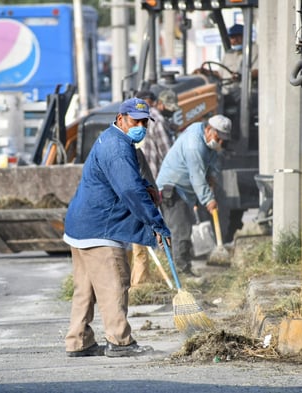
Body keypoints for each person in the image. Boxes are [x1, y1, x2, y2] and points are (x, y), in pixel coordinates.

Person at [63, 97, 171, 358]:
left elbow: (130, 184)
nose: (141, 127)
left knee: (85, 289)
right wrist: (157, 224)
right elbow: (130, 190)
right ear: (121, 119)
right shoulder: (118, 148)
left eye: (145, 122)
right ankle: (120, 341)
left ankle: (79, 341)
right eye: (136, 121)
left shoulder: (114, 140)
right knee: (114, 284)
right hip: (101, 229)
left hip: (81, 226)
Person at [156, 114, 232, 276]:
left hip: (184, 191)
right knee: (180, 231)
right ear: (209, 129)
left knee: (186, 228)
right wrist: (208, 199)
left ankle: (181, 268)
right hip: (173, 189)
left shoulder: (205, 138)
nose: (220, 143)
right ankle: (181, 273)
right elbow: (196, 176)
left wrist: (212, 176)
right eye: (218, 138)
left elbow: (210, 162)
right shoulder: (194, 145)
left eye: (223, 140)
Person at [129, 90, 175, 287]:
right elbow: (167, 152)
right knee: (141, 236)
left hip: (145, 184)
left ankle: (138, 281)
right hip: (145, 186)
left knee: (137, 239)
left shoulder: (136, 133)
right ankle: (140, 284)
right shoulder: (156, 119)